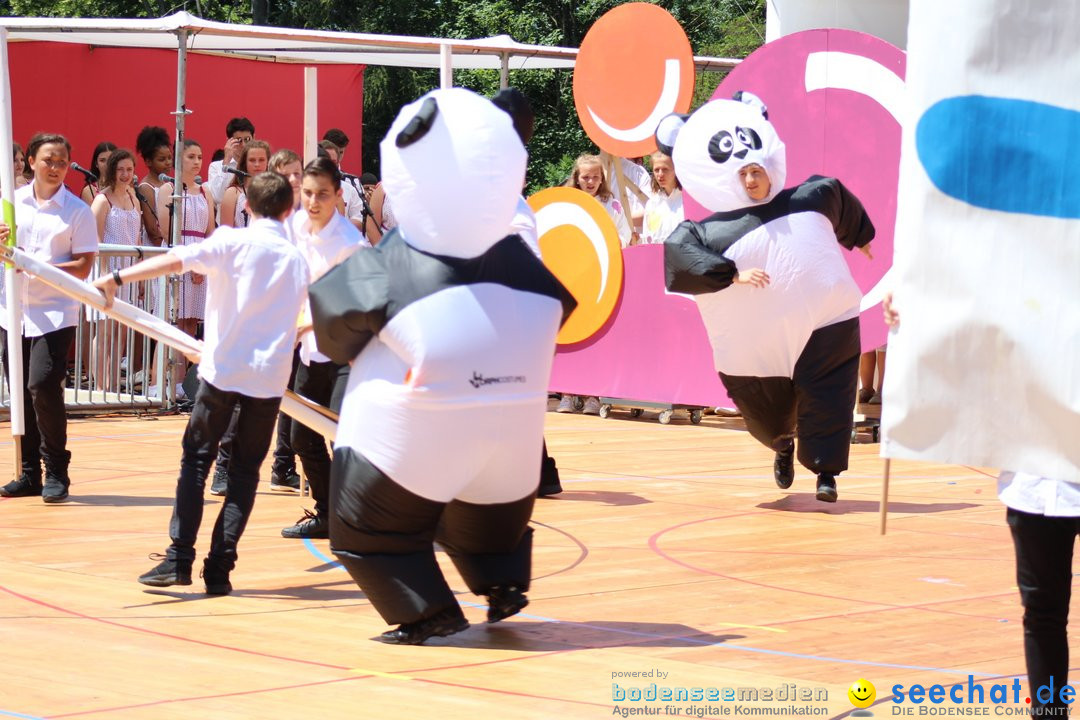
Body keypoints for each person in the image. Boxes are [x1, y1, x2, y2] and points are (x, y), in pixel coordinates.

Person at [309, 88, 574, 645]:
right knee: (482, 523)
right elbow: (561, 307)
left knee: (366, 528)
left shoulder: (395, 261)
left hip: (407, 451)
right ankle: (501, 581)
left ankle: (425, 610)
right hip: (512, 464)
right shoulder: (523, 261)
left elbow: (334, 327)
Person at [95, 172, 309, 595]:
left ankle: (179, 558)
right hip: (266, 379)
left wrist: (117, 279)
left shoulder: (231, 241)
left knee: (196, 460)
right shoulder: (297, 258)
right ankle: (219, 568)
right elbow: (306, 317)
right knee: (246, 472)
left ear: (246, 203)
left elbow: (175, 260)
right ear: (289, 210)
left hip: (224, 370)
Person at [661, 93, 874, 503]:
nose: (752, 180)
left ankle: (826, 473)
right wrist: (732, 274)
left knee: (831, 392)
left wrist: (860, 236)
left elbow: (839, 199)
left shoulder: (810, 197)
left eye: (757, 170)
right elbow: (679, 257)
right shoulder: (708, 232)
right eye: (743, 175)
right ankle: (782, 445)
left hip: (825, 320)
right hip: (755, 341)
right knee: (767, 413)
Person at [882, 293, 1073, 717]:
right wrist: (913, 313)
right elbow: (968, 320)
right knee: (1043, 613)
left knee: (1043, 613)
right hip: (1036, 480)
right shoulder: (1023, 287)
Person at [0, 133, 99, 503]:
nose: (55, 168)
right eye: (48, 161)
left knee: (43, 386)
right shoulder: (12, 203)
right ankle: (29, 473)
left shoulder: (76, 211)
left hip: (56, 312)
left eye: (61, 162)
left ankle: (56, 468)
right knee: (21, 393)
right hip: (12, 310)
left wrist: (39, 266)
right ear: (30, 162)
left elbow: (84, 264)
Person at [280, 156, 367, 539]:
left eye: (322, 195)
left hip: (347, 353)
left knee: (343, 435)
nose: (313, 202)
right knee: (301, 437)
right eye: (308, 193)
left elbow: (353, 306)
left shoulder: (350, 244)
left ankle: (365, 517)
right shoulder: (296, 226)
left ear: (337, 197)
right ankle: (330, 514)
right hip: (310, 350)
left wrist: (302, 323)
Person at [155, 139, 215, 399]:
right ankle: (160, 381)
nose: (197, 161)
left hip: (200, 258)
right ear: (179, 160)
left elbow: (211, 231)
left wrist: (204, 263)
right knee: (173, 321)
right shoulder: (168, 189)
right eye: (191, 156)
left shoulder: (205, 192)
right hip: (181, 257)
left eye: (199, 156)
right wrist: (189, 262)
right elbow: (168, 229)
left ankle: (179, 382)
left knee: (190, 323)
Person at [89, 149, 142, 391]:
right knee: (105, 330)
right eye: (120, 169)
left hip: (128, 272)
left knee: (120, 329)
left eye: (129, 169)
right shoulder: (102, 200)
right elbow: (94, 242)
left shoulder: (134, 198)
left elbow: (138, 239)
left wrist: (140, 276)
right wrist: (102, 277)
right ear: (112, 171)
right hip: (107, 270)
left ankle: (112, 387)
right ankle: (100, 386)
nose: (125, 174)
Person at [220, 140, 271, 228]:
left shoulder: (273, 192)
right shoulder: (232, 193)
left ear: (268, 162)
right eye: (252, 160)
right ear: (245, 163)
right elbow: (225, 232)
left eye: (261, 160)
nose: (257, 164)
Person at [206, 117, 255, 206]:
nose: (243, 145)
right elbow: (217, 197)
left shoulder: (259, 165)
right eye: (238, 140)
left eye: (247, 139)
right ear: (228, 141)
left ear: (254, 138)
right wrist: (226, 162)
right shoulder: (216, 167)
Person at [641, 151, 683, 245]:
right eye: (656, 170)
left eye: (665, 169)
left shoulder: (687, 201)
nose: (660, 174)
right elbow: (648, 240)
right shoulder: (652, 204)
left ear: (676, 170)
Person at [79, 141, 116, 205]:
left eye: (111, 160)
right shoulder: (90, 190)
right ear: (96, 164)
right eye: (102, 160)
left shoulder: (126, 188)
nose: (107, 164)